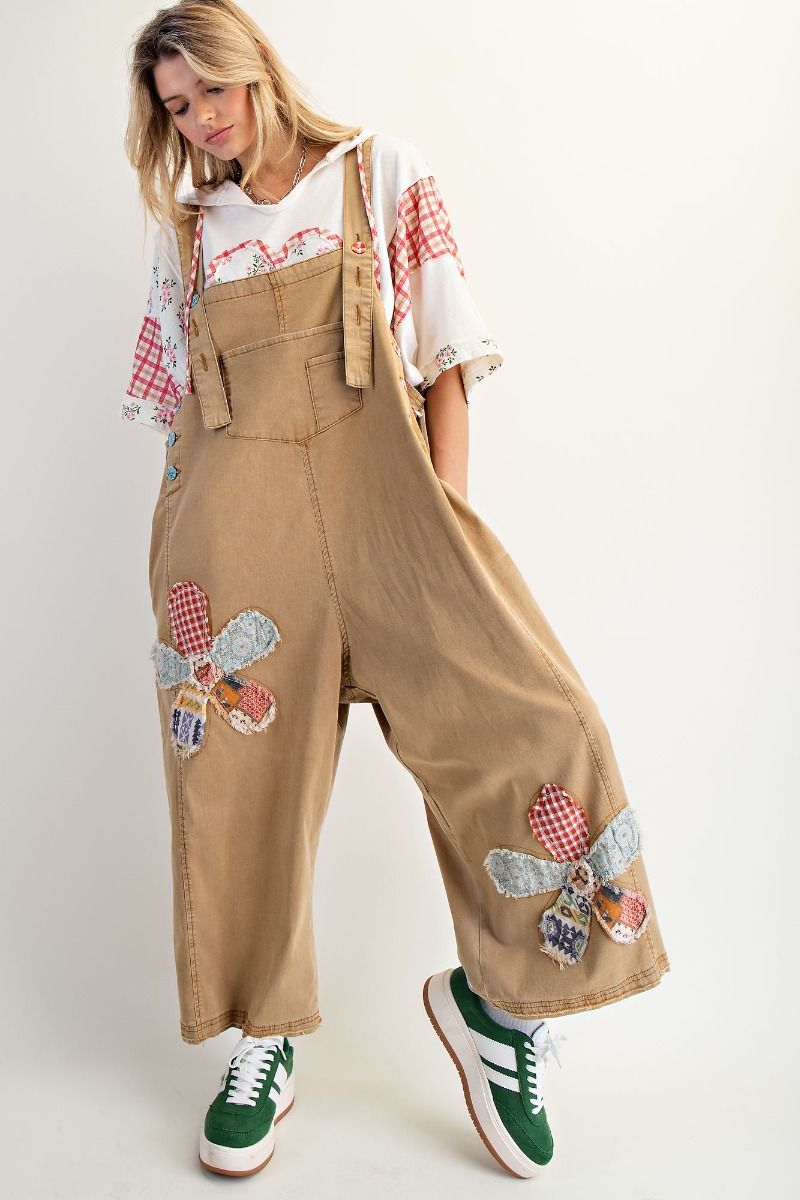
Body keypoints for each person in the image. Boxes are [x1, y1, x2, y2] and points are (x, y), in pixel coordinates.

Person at [122, 0, 670, 1181]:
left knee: (542, 729)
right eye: (175, 107)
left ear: (254, 67)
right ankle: (262, 1037)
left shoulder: (379, 173)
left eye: (210, 88)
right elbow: (172, 417)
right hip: (236, 533)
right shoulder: (191, 234)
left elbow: (445, 360)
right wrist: (181, 562)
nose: (201, 119)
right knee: (241, 792)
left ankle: (498, 1010)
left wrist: (444, 525)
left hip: (400, 518)